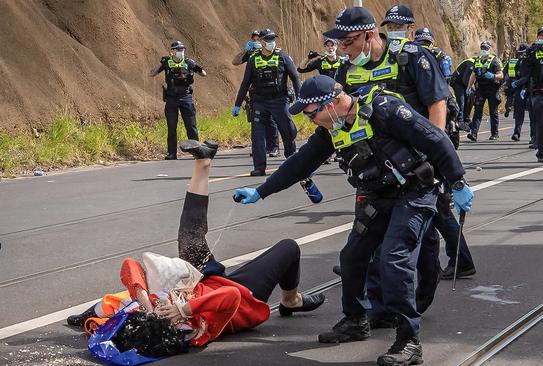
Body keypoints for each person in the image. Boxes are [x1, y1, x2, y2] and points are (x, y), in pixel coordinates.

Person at [233, 75, 473, 366]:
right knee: (353, 257)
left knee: (394, 260)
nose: (311, 121)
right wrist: (260, 191)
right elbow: (300, 163)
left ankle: (408, 340)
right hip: (378, 195)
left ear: (333, 103)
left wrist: (457, 183)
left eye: (312, 114)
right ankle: (356, 319)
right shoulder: (332, 129)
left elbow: (435, 139)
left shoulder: (384, 110)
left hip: (414, 193)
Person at [67, 140, 325, 352]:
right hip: (243, 297)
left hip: (204, 283)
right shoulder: (195, 332)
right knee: (289, 247)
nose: (159, 312)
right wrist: (182, 309)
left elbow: (130, 266)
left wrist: (145, 302)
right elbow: (230, 297)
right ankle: (292, 300)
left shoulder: (148, 311)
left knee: (189, 236)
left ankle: (203, 162)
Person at [328, 5, 474, 317]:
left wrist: (436, 154)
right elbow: (341, 107)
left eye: (347, 42)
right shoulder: (347, 67)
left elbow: (437, 101)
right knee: (377, 241)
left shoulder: (411, 56)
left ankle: (421, 295)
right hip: (378, 165)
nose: (343, 50)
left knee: (424, 238)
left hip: (419, 161)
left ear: (368, 35)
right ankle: (381, 308)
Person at [233, 28, 301, 176]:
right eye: (268, 40)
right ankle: (259, 167)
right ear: (261, 42)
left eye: (272, 40)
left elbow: (295, 77)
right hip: (260, 102)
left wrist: (300, 97)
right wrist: (237, 104)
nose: (271, 43)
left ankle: (291, 158)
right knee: (257, 136)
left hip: (279, 100)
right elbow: (245, 83)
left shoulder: (283, 56)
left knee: (288, 131)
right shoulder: (253, 59)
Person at [150, 41, 207, 160]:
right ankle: (172, 153)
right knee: (171, 127)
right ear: (173, 51)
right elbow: (152, 74)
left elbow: (204, 74)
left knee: (191, 126)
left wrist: (196, 67)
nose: (181, 51)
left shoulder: (188, 62)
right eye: (179, 49)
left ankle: (196, 151)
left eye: (182, 49)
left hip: (186, 97)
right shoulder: (167, 62)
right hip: (171, 98)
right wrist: (161, 63)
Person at [233, 30, 281, 158]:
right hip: (255, 91)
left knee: (270, 120)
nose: (256, 41)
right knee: (257, 121)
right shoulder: (251, 54)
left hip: (271, 90)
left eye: (258, 39)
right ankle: (260, 148)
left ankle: (273, 147)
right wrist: (245, 50)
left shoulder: (273, 52)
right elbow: (235, 62)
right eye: (254, 39)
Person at [519, 26, 543, 162]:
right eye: (541, 35)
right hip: (538, 91)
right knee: (542, 123)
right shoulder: (531, 52)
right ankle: (540, 151)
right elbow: (524, 71)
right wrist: (530, 53)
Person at [466, 41, 504, 141]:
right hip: (480, 89)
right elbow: (473, 75)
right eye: (482, 48)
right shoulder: (478, 60)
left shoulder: (494, 60)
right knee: (477, 111)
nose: (484, 50)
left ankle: (494, 134)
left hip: (492, 88)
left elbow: (501, 75)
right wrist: (469, 87)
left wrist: (493, 76)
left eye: (486, 48)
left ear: (490, 49)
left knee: (493, 112)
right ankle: (473, 133)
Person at [506, 43, 530, 141]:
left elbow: (529, 75)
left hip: (531, 87)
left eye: (523, 53)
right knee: (518, 112)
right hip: (520, 88)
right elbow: (516, 75)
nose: (521, 55)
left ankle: (534, 136)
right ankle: (517, 132)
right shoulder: (518, 62)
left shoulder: (531, 61)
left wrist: (519, 82)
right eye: (520, 53)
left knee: (533, 114)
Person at [450, 56, 477, 130]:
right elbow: (465, 79)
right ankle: (460, 120)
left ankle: (466, 119)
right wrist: (470, 88)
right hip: (457, 82)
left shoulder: (478, 65)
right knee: (461, 101)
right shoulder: (470, 63)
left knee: (469, 100)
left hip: (463, 83)